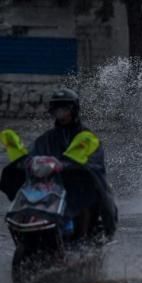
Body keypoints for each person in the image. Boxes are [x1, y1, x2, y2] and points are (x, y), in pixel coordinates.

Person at [32, 88, 116, 239]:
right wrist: (25, 163)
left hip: (81, 184)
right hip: (52, 186)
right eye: (57, 109)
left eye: (64, 109)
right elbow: (33, 155)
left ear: (74, 110)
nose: (60, 113)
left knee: (90, 197)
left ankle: (84, 239)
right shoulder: (46, 138)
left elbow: (95, 163)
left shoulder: (88, 137)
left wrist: (65, 166)